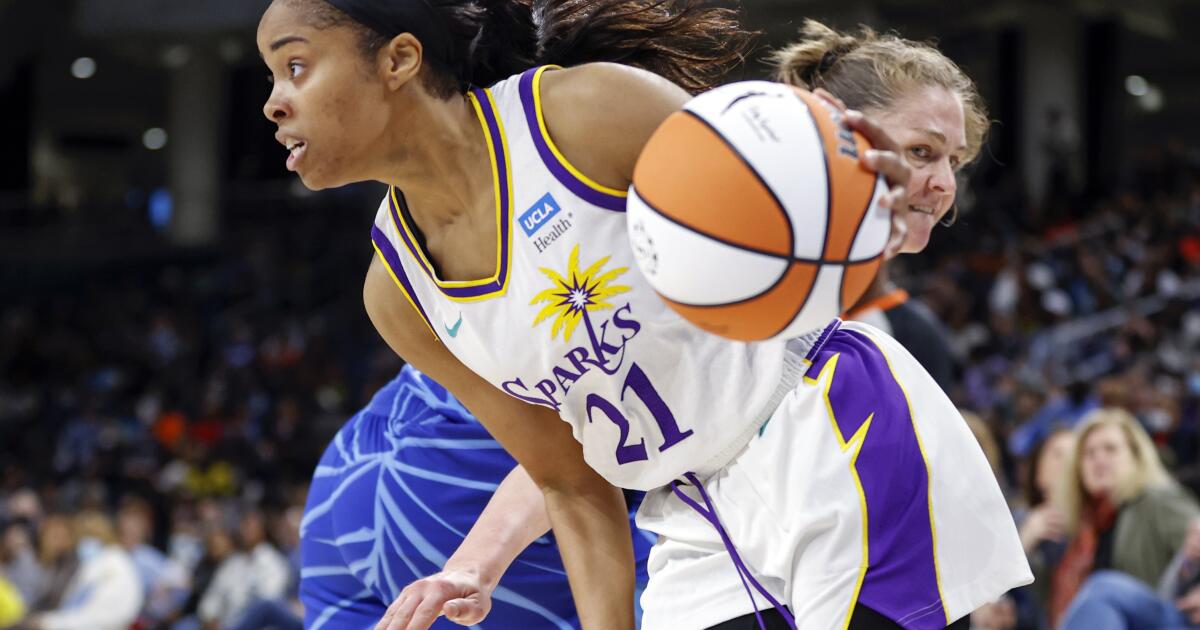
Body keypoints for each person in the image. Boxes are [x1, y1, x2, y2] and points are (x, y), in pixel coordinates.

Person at [256, 2, 1030, 629]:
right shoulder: (396, 295)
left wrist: (847, 179)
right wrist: (477, 567)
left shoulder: (577, 113)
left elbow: (779, 188)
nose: (272, 101)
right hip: (689, 518)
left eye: (295, 65)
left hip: (821, 425)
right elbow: (568, 480)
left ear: (398, 60)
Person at [300, 365, 652, 629]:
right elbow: (569, 460)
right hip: (458, 465)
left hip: (351, 456)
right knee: (688, 573)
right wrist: (471, 565)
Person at [773, 19, 985, 394]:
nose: (946, 184)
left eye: (953, 161)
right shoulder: (732, 263)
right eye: (921, 151)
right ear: (835, 131)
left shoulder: (916, 337)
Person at [1049, 408, 1200, 625]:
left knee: (1102, 587)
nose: (1098, 459)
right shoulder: (1082, 528)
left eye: (1110, 449)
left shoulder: (1159, 499)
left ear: (1136, 456)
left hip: (1167, 618)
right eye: (1089, 453)